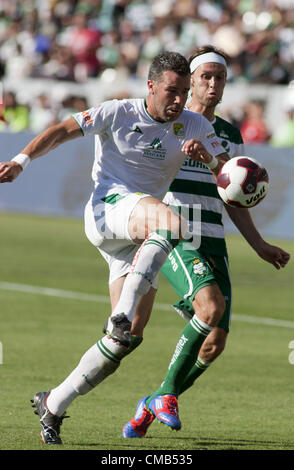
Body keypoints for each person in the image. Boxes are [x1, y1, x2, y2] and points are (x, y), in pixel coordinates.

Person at [0, 51, 228, 445]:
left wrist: (207, 158)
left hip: (136, 241)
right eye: (170, 92)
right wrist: (22, 160)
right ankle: (120, 314)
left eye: (181, 92)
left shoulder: (195, 123)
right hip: (110, 210)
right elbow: (61, 130)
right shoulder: (117, 112)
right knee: (172, 222)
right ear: (151, 87)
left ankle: (53, 403)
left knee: (125, 340)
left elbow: (227, 173)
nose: (177, 101)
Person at [122, 46, 291, 438]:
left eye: (221, 78)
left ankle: (157, 399)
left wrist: (260, 245)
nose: (213, 85)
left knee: (214, 342)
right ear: (191, 80)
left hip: (214, 238)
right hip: (176, 231)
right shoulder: (170, 122)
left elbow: (233, 198)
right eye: (206, 77)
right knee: (208, 307)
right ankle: (160, 396)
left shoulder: (230, 134)